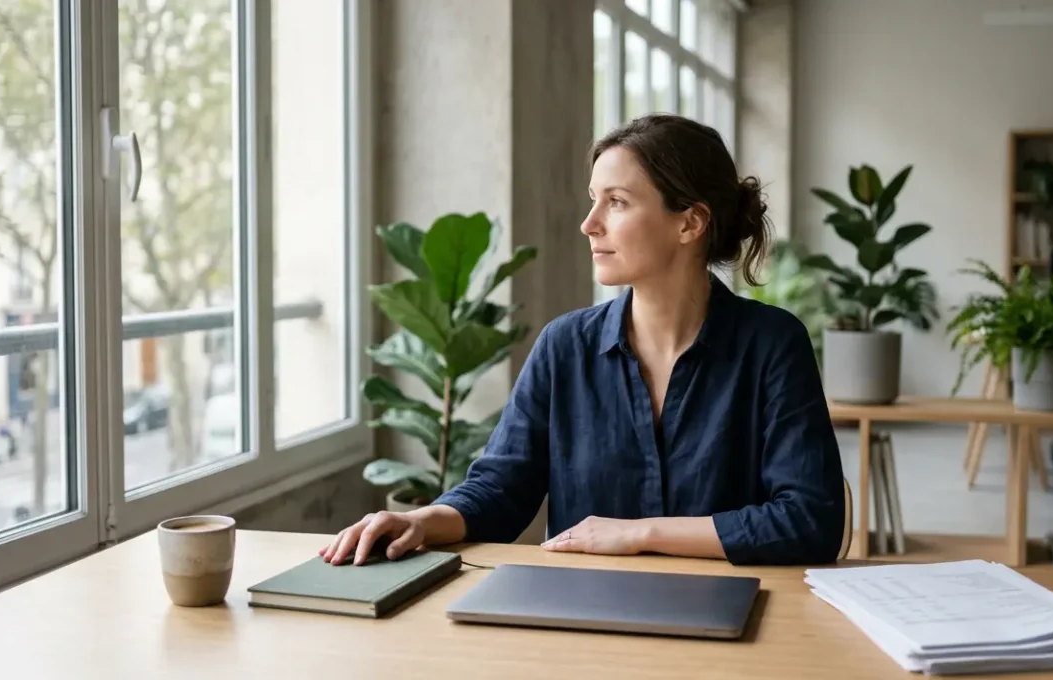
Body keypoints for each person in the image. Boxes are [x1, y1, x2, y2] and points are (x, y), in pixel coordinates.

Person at [321, 113, 847, 568]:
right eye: (594, 200)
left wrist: (638, 532)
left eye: (616, 202)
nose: (588, 224)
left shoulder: (774, 344)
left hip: (736, 614)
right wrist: (420, 519)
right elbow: (502, 489)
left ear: (689, 223)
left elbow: (810, 519)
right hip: (582, 610)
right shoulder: (564, 346)